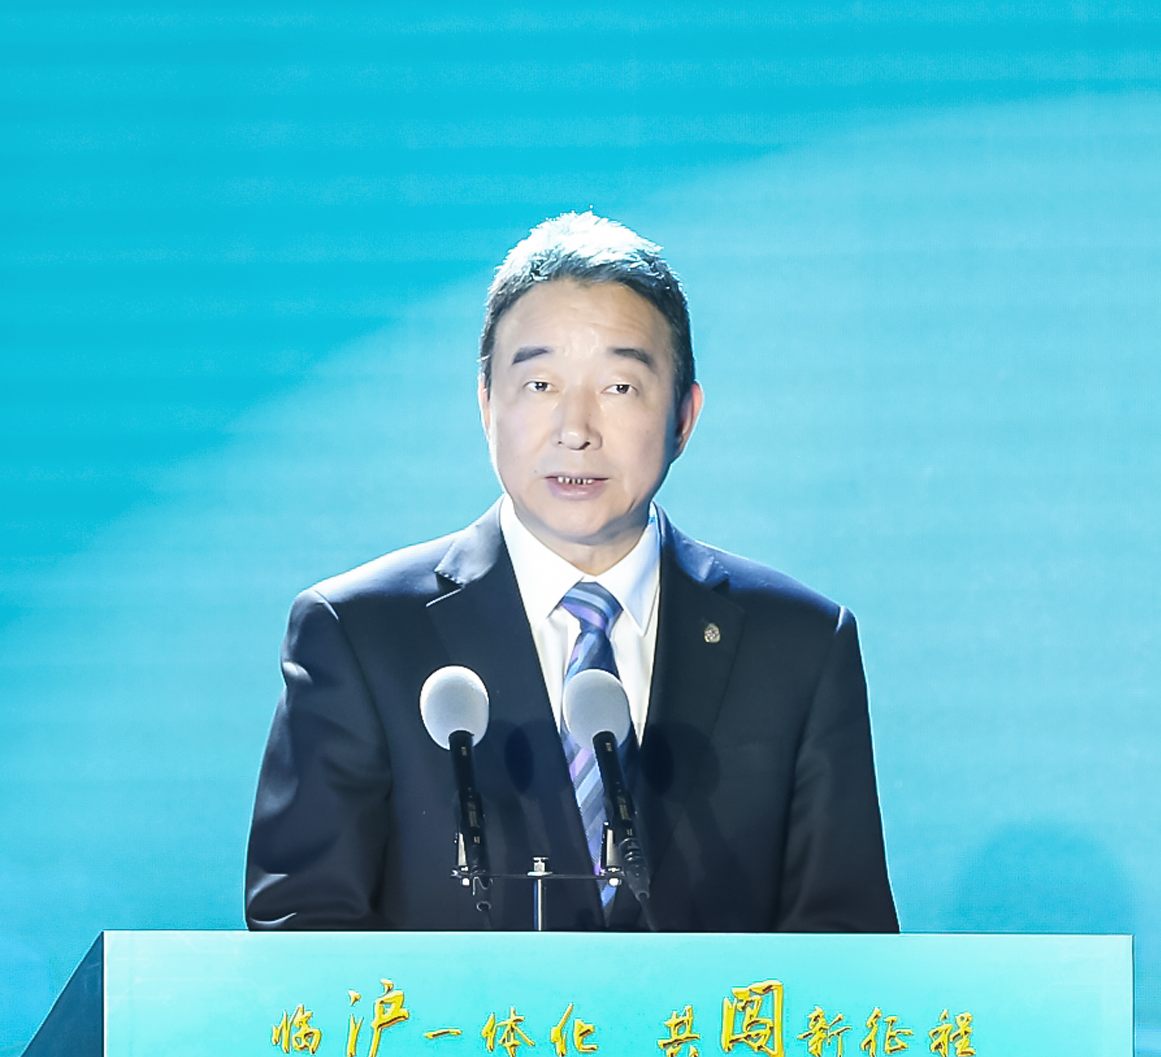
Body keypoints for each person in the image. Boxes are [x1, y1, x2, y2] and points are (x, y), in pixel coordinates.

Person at [245, 213, 897, 933]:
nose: (576, 430)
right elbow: (301, 932)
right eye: (540, 384)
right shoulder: (360, 635)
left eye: (619, 387)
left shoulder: (800, 645)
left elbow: (846, 948)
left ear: (684, 416)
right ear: (486, 403)